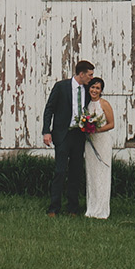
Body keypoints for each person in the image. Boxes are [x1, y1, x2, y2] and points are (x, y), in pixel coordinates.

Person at [42, 59, 94, 216]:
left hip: (79, 135)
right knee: (60, 171)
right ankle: (54, 207)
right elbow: (49, 109)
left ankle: (73, 207)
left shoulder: (88, 90)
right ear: (81, 74)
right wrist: (46, 131)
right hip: (63, 134)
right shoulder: (61, 87)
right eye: (89, 75)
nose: (91, 78)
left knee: (76, 172)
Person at [83, 77, 116, 219]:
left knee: (102, 173)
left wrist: (96, 130)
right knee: (92, 173)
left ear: (101, 90)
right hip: (89, 143)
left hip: (102, 141)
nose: (94, 90)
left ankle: (102, 209)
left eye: (97, 88)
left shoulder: (104, 104)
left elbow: (111, 124)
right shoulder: (87, 104)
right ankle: (91, 207)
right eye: (92, 87)